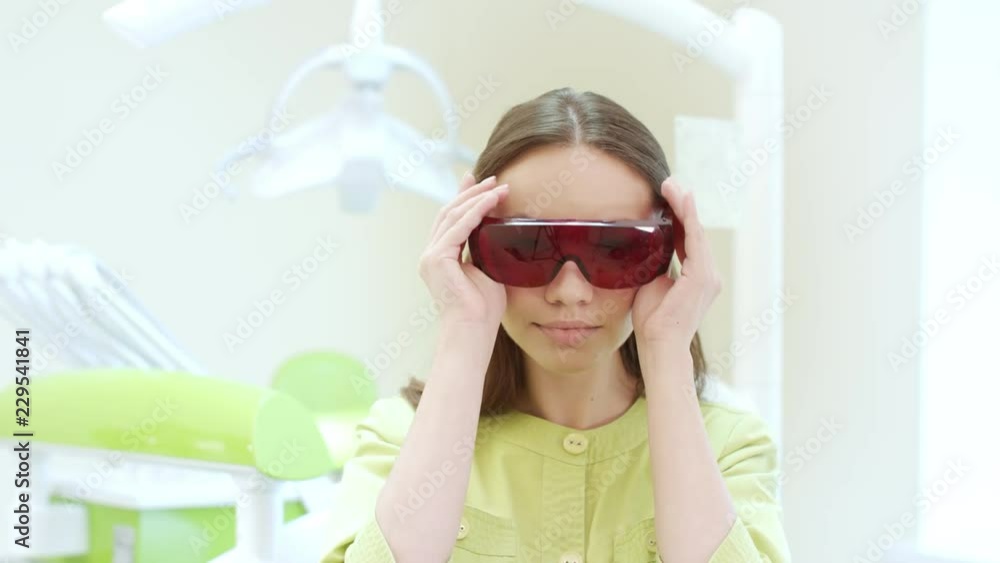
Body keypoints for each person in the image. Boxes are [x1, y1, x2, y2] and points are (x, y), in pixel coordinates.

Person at [321, 87, 791, 563]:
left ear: (666, 252)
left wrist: (667, 351)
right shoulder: (401, 436)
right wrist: (464, 331)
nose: (570, 291)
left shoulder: (730, 447)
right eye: (525, 246)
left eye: (615, 249)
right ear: (472, 244)